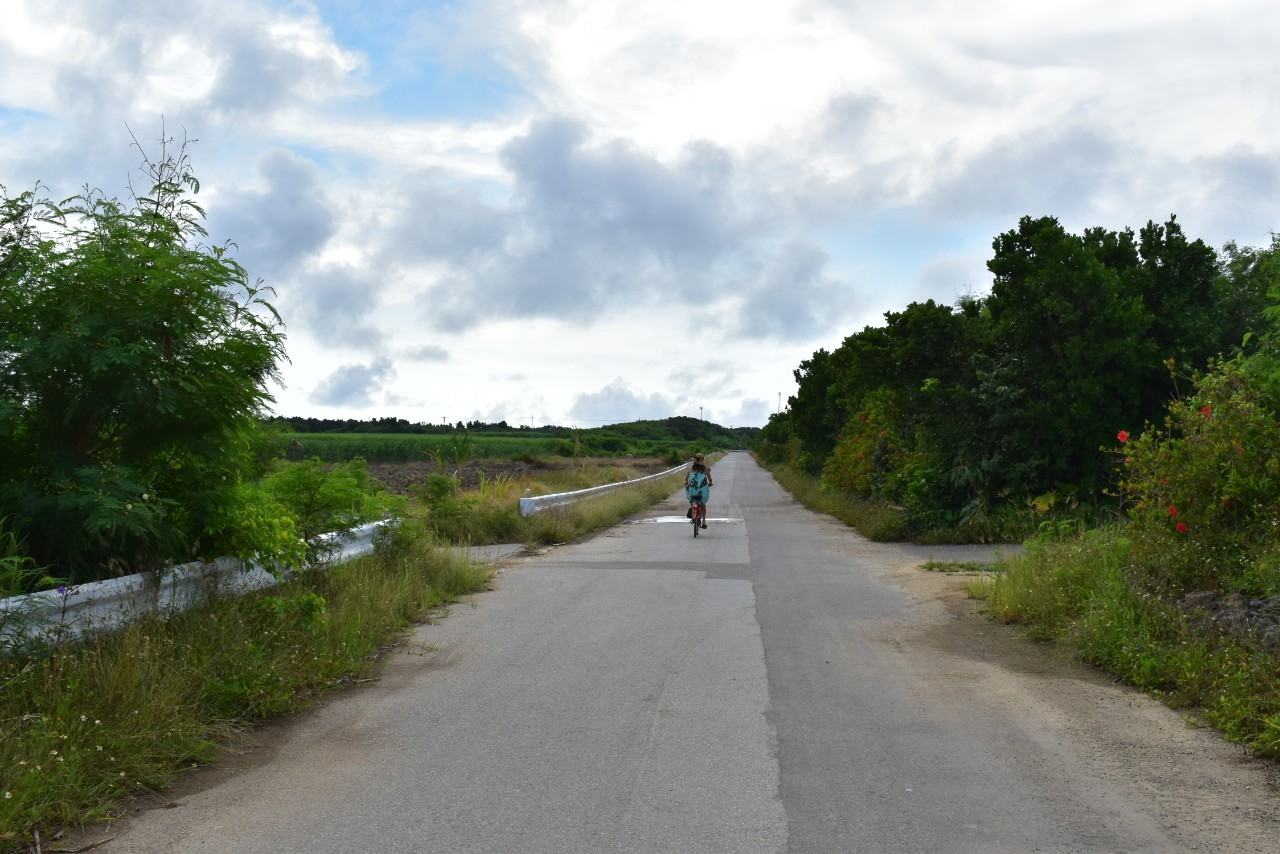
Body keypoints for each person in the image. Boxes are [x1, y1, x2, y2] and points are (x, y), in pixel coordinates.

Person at [685, 453, 713, 529]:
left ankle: (691, 508)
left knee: (691, 498)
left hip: (692, 491)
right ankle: (703, 521)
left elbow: (686, 479)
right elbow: (710, 479)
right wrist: (710, 483)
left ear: (694, 461)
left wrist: (686, 483)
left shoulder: (690, 469)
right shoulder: (705, 470)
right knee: (703, 504)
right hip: (702, 493)